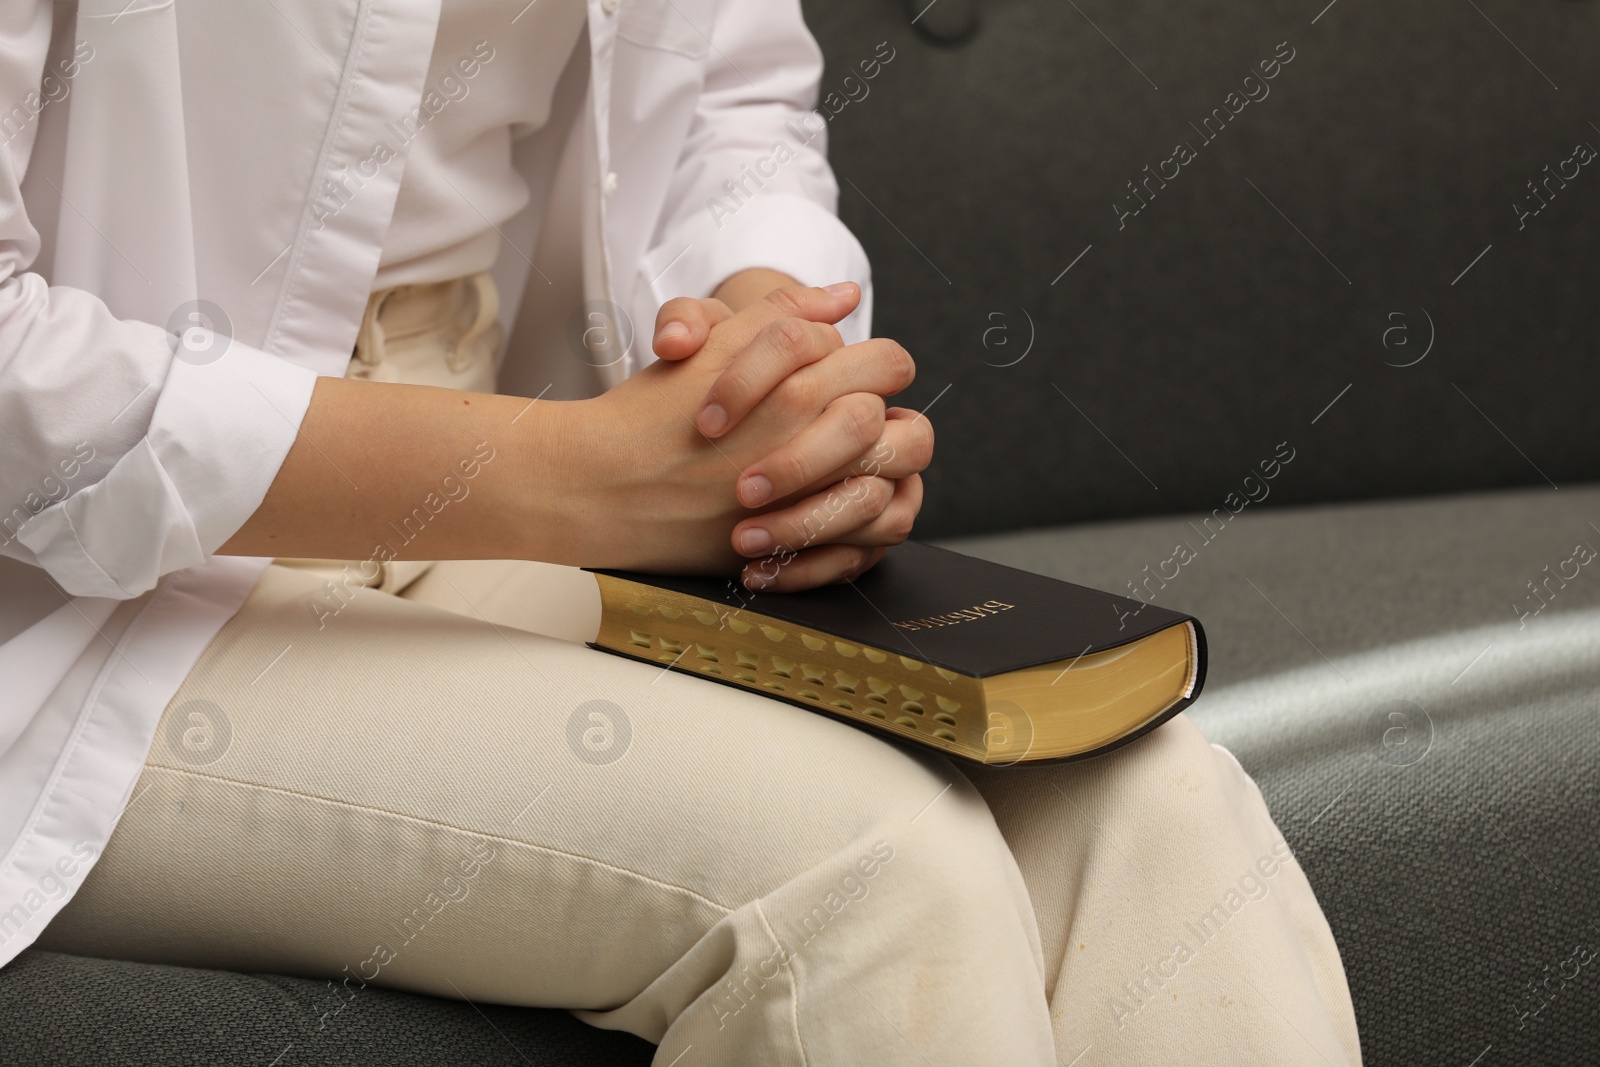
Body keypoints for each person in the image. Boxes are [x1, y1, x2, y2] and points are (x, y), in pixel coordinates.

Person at [0, 1, 1362, 1062]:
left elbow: (727, 96)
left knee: (1154, 812)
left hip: (478, 505)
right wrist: (586, 477)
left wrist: (771, 368)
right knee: (861, 886)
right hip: (72, 608)